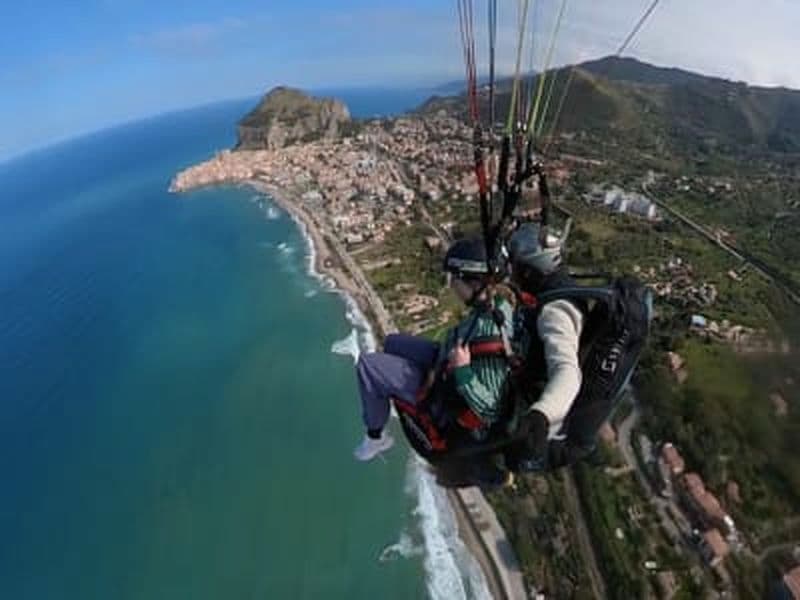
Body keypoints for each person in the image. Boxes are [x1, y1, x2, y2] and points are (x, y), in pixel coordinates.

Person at [352, 237, 515, 466]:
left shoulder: (492, 331)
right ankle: (387, 390)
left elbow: (491, 407)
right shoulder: (497, 304)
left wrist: (463, 371)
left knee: (368, 366)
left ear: (474, 283)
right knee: (392, 343)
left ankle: (376, 437)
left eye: (454, 279)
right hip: (446, 359)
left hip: (445, 393)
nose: (451, 286)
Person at [503, 221, 586, 472]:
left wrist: (541, 415)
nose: (514, 276)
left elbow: (568, 372)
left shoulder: (555, 311)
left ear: (529, 272)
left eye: (517, 270)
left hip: (544, 422)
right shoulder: (559, 290)